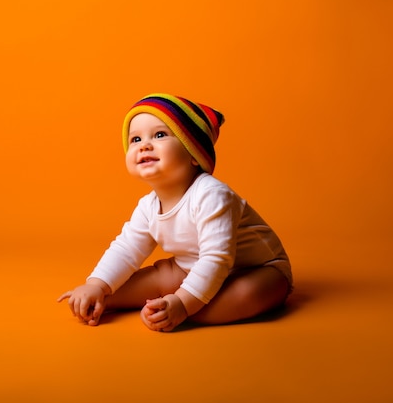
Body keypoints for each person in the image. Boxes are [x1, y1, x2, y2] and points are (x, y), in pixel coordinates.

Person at [57, 93, 293, 332]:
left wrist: (182, 303)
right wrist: (97, 284)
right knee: (162, 275)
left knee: (247, 294)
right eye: (135, 139)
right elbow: (126, 248)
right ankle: (104, 300)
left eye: (160, 135)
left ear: (193, 154)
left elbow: (216, 258)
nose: (144, 145)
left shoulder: (211, 195)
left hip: (255, 270)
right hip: (190, 267)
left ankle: (181, 310)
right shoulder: (148, 206)